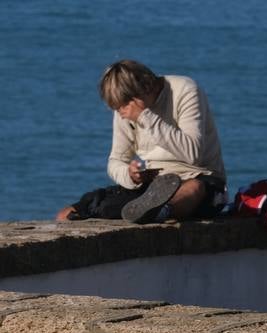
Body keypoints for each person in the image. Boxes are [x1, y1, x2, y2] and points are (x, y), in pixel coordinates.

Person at [55, 60, 227, 224]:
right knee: (68, 213)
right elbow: (116, 160)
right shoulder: (124, 108)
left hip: (198, 177)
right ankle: (150, 210)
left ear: (142, 91)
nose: (121, 113)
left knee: (194, 189)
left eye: (122, 106)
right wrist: (130, 175)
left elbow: (193, 154)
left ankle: (160, 211)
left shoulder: (185, 90)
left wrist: (145, 116)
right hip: (154, 187)